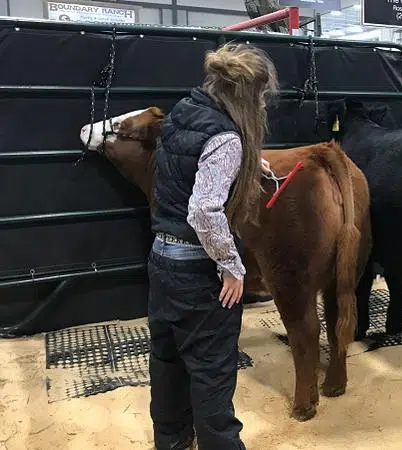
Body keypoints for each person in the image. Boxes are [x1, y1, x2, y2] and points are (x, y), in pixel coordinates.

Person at [146, 43, 278, 449]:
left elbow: (187, 162)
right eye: (261, 97)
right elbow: (204, 210)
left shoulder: (185, 110)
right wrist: (231, 265)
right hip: (198, 275)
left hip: (162, 261)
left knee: (167, 364)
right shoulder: (226, 138)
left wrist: (248, 164)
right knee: (212, 374)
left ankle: (172, 443)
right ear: (248, 94)